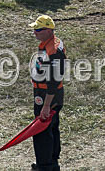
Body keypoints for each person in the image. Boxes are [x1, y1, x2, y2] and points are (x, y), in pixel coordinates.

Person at [29, 15, 66, 171]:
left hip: (47, 96)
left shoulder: (54, 50)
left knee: (42, 130)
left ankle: (44, 166)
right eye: (34, 29)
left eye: (38, 29)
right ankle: (51, 161)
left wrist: (46, 105)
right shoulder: (48, 44)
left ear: (49, 30)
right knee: (52, 127)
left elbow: (54, 81)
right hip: (46, 94)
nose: (35, 32)